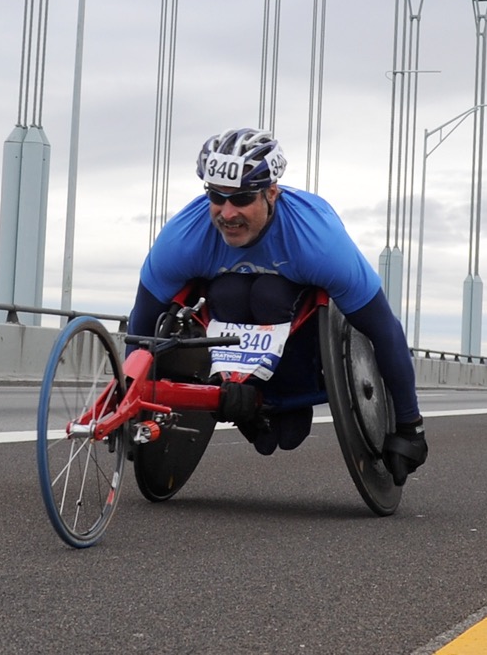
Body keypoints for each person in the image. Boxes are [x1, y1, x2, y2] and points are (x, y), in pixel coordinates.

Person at [126, 128, 427, 485]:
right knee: (230, 292)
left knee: (269, 294)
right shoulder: (182, 239)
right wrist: (128, 400)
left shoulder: (319, 242)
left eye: (241, 199)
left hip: (299, 336)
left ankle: (288, 392)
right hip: (226, 325)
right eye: (216, 197)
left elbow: (383, 328)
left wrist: (410, 426)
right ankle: (244, 396)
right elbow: (143, 323)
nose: (226, 213)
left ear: (271, 193)